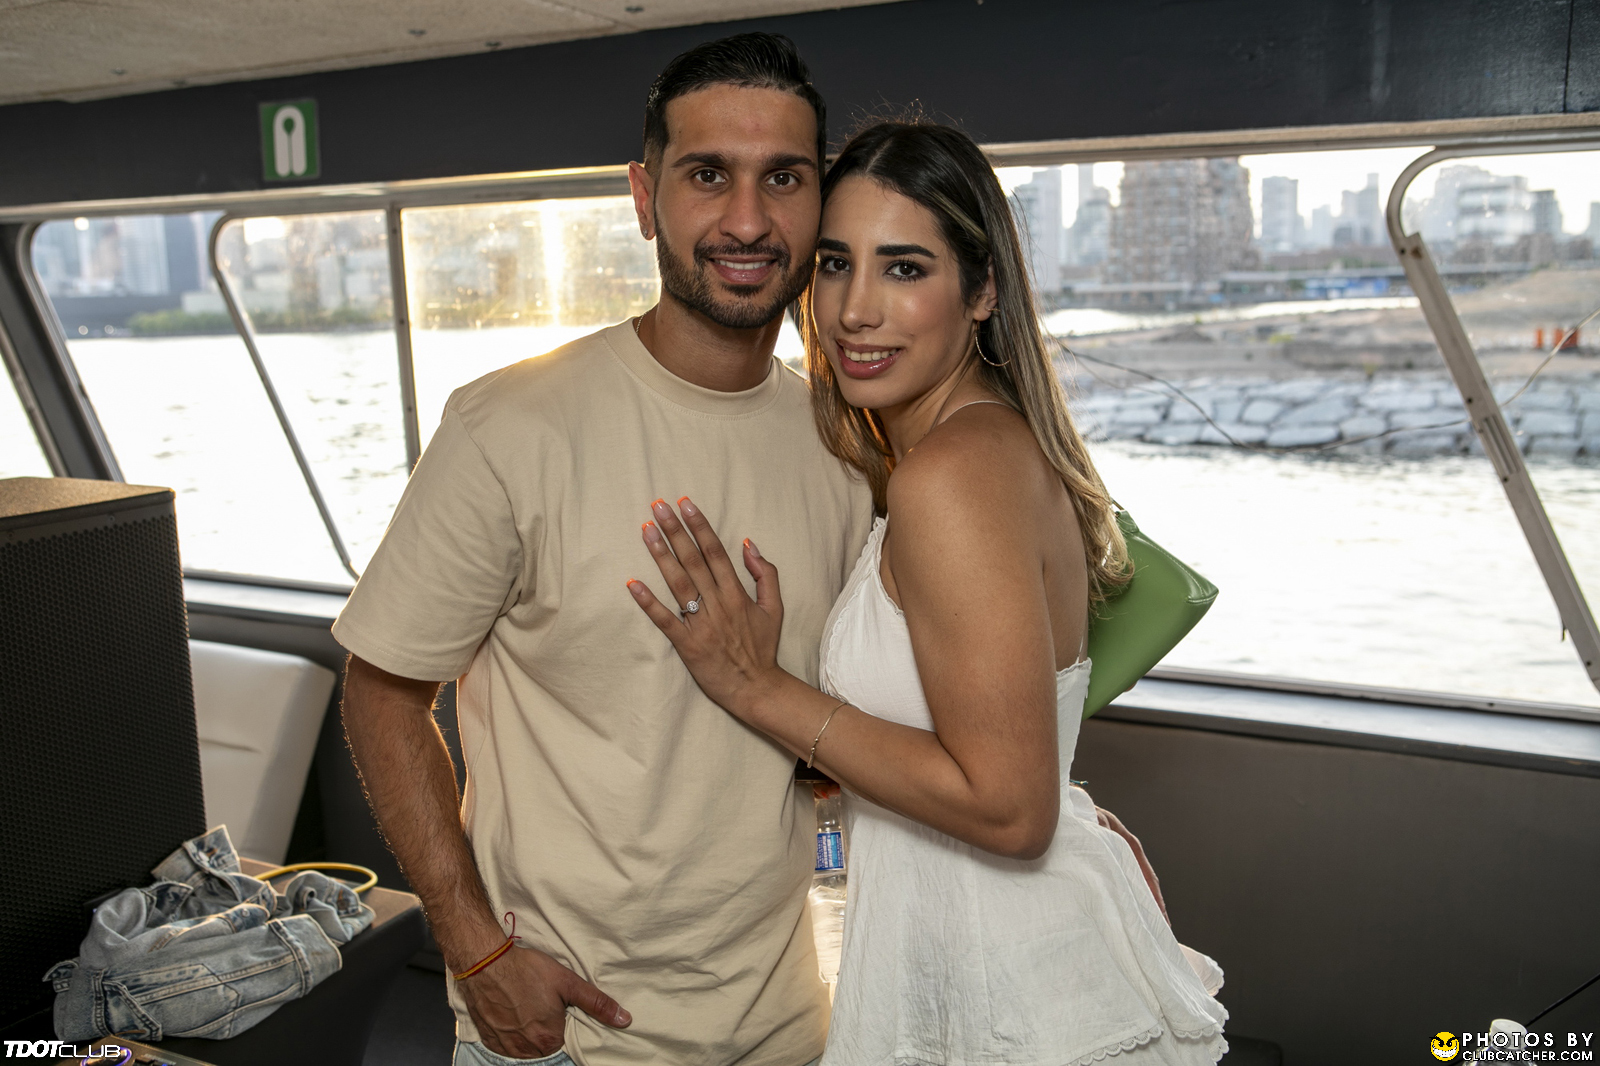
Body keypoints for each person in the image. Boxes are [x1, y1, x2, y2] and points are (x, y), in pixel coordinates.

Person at [627, 120, 1230, 1065]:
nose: (855, 310)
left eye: (904, 268)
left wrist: (760, 688)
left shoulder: (949, 476)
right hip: (991, 962)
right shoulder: (981, 447)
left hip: (1012, 998)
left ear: (983, 291)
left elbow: (1011, 812)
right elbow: (1004, 746)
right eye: (836, 264)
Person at [334, 34, 875, 1066]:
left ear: (821, 202)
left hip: (789, 1024)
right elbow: (382, 689)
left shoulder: (847, 447)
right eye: (707, 174)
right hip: (560, 1029)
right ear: (643, 196)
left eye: (783, 178)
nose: (748, 219)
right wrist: (477, 951)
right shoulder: (510, 426)